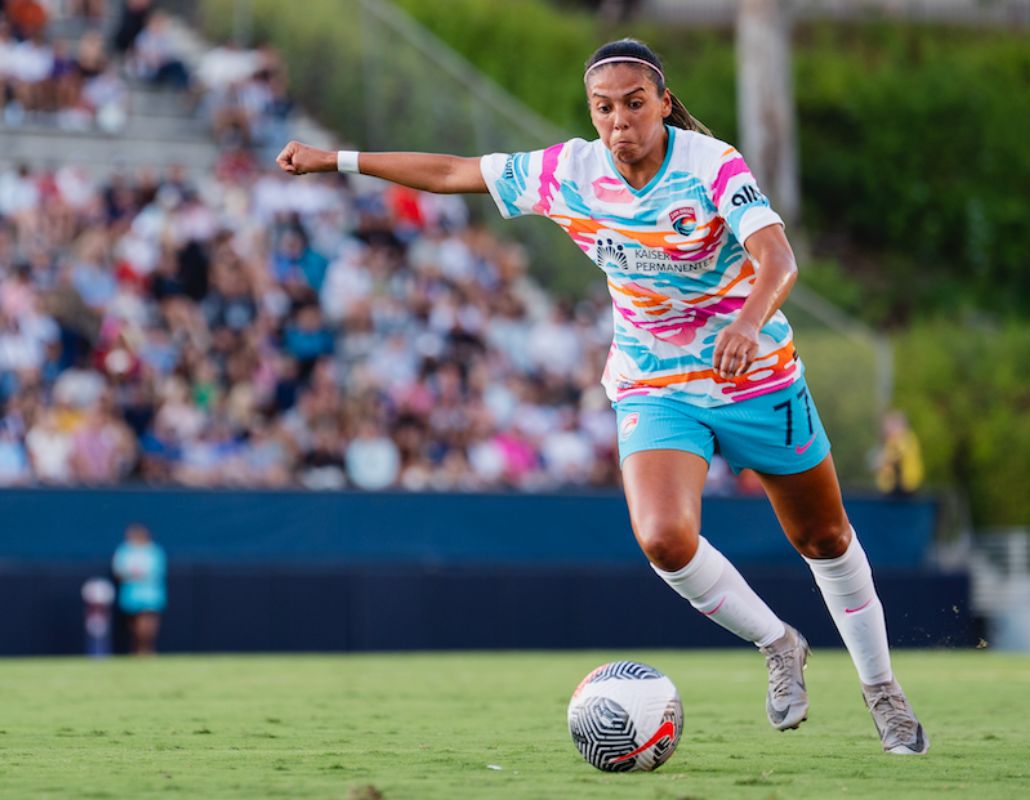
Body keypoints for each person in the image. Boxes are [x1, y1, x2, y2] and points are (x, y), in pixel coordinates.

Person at [276, 38, 928, 755]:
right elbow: (451, 170)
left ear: (665, 103)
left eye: (635, 104)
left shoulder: (711, 166)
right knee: (664, 539)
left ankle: (881, 690)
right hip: (654, 383)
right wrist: (334, 160)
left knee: (825, 538)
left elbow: (778, 256)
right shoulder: (568, 171)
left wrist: (746, 321)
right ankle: (779, 644)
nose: (619, 121)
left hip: (756, 373)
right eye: (604, 108)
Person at [111, 522, 167, 655]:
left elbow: (157, 571)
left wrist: (141, 575)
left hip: (150, 593)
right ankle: (138, 650)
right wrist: (130, 574)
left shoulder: (154, 551)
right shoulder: (124, 550)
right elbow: (118, 571)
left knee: (148, 622)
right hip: (131, 593)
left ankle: (147, 650)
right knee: (134, 624)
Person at [874, 410, 924, 497]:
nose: (886, 429)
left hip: (906, 486)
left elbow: (896, 457)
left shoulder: (905, 439)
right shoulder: (894, 441)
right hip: (897, 487)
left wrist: (882, 461)